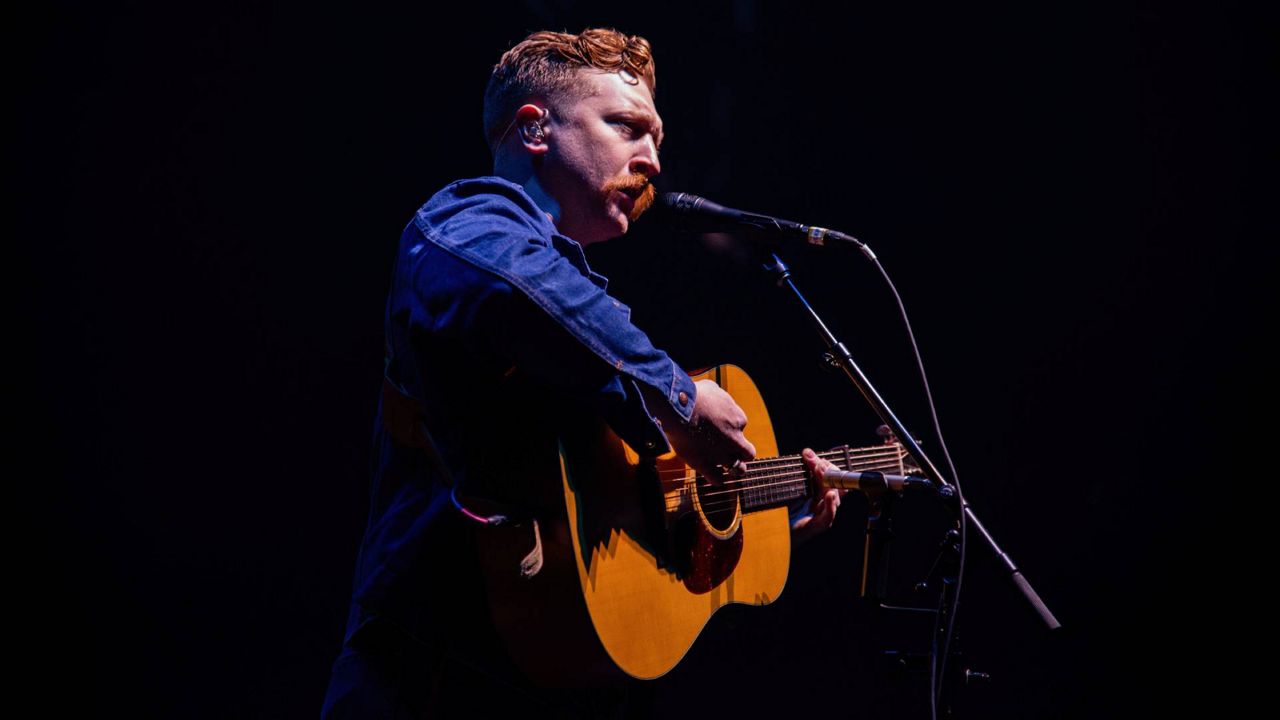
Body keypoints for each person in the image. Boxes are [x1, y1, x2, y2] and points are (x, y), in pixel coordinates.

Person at [321, 28, 844, 718]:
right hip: (430, 668)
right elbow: (506, 279)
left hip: (537, 664)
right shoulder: (462, 224)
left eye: (657, 137)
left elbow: (609, 511)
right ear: (535, 127)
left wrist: (751, 535)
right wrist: (678, 396)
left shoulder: (577, 311)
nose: (653, 160)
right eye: (626, 127)